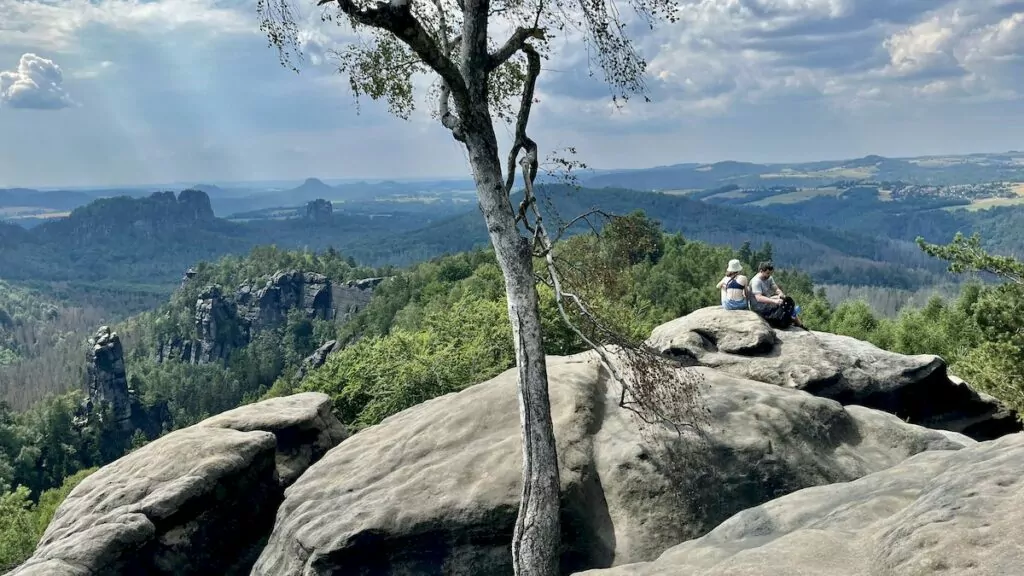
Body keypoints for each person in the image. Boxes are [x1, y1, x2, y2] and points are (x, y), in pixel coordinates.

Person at [748, 261, 805, 329]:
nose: (769, 275)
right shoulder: (756, 281)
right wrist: (774, 301)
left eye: (770, 273)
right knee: (783, 307)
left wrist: (781, 294)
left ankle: (797, 322)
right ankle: (798, 323)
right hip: (759, 306)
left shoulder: (769, 278)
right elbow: (758, 298)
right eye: (767, 273)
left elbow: (775, 288)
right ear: (761, 271)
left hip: (767, 301)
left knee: (787, 302)